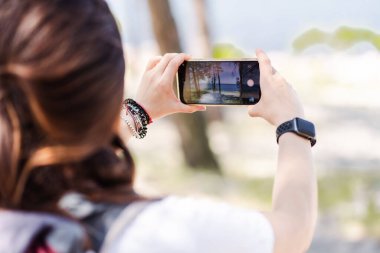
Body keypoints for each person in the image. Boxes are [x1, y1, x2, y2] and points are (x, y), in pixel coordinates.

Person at [0, 0, 317, 253]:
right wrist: (292, 124)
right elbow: (292, 231)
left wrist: (140, 111)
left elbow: (54, 152)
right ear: (105, 91)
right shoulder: (162, 231)